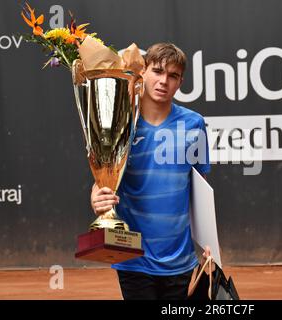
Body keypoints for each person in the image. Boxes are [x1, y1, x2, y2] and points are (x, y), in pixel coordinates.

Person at [90, 42, 211, 300]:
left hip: (180, 259)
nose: (163, 81)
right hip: (133, 255)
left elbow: (199, 187)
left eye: (173, 75)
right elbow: (104, 176)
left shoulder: (194, 123)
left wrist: (208, 242)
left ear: (180, 82)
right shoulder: (120, 122)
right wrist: (97, 197)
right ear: (142, 71)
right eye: (157, 71)